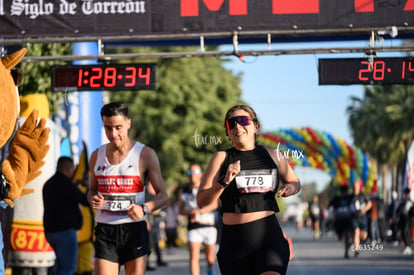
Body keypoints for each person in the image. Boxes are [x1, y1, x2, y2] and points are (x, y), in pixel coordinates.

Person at [197, 105, 301, 275]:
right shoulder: (220, 158)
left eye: (243, 120)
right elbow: (202, 201)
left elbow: (295, 182)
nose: (237, 126)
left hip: (269, 239)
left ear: (255, 126)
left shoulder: (274, 155)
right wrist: (222, 183)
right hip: (234, 244)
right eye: (231, 123)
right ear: (227, 132)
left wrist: (290, 187)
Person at [88, 102, 168, 275]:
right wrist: (93, 198)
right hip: (105, 229)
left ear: (128, 123)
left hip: (134, 229)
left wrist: (144, 209)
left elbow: (163, 196)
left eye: (118, 127)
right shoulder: (96, 156)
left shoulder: (145, 154)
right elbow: (91, 190)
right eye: (108, 128)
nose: (113, 134)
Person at [42, 156, 90, 275]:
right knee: (68, 268)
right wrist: (88, 187)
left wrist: (75, 185)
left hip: (50, 232)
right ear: (68, 169)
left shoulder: (48, 184)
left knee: (59, 267)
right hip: (65, 232)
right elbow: (86, 201)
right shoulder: (67, 185)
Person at [179, 164, 218, 275]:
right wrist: (190, 213)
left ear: (201, 174)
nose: (193, 175)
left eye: (195, 172)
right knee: (193, 256)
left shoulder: (207, 187)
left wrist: (199, 211)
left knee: (210, 257)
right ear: (187, 175)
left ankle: (211, 270)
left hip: (208, 225)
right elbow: (180, 210)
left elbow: (214, 204)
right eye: (190, 173)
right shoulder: (184, 190)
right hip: (193, 226)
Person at [329, 185, 354, 258]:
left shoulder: (350, 198)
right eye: (344, 191)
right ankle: (346, 242)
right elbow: (330, 205)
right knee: (340, 237)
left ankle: (346, 252)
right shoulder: (336, 199)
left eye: (346, 191)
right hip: (338, 221)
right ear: (341, 192)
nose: (345, 193)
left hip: (347, 219)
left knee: (347, 234)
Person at [351, 180, 372, 257]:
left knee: (363, 236)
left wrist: (365, 209)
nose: (355, 187)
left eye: (356, 185)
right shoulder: (351, 197)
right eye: (354, 185)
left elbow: (370, 203)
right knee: (356, 232)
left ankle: (359, 241)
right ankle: (356, 249)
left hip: (363, 217)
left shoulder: (363, 195)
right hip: (355, 217)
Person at [396, 188, 413, 255]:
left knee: (407, 233)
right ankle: (407, 246)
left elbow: (411, 211)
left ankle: (408, 246)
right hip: (403, 219)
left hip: (407, 219)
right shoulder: (404, 201)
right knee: (404, 232)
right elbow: (398, 209)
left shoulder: (409, 201)